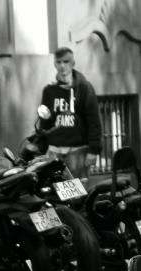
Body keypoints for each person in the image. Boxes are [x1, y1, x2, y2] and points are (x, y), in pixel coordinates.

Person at [40, 46, 103, 179]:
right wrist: (40, 149)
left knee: (78, 194)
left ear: (73, 63)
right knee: (56, 193)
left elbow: (94, 120)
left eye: (66, 61)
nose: (62, 66)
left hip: (78, 151)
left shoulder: (84, 87)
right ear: (54, 64)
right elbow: (45, 123)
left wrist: (93, 150)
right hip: (54, 151)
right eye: (59, 62)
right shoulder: (49, 91)